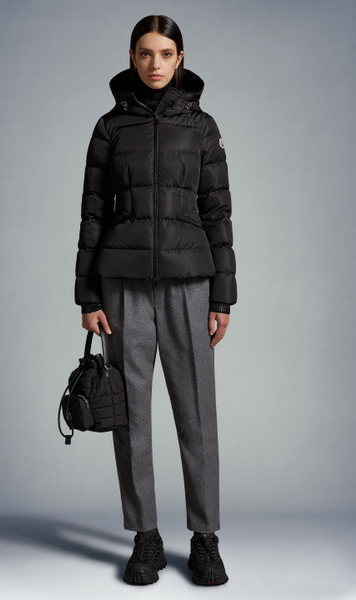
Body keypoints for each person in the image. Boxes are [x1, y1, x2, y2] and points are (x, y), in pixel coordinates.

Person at [74, 14, 237, 586]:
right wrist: (87, 295)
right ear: (132, 56)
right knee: (131, 415)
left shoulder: (203, 127)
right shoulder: (109, 127)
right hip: (121, 286)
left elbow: (218, 213)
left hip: (190, 283)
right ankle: (145, 536)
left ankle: (205, 538)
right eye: (145, 53)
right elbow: (93, 213)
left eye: (165, 53)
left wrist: (223, 297)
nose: (155, 64)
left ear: (180, 58)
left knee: (197, 414)